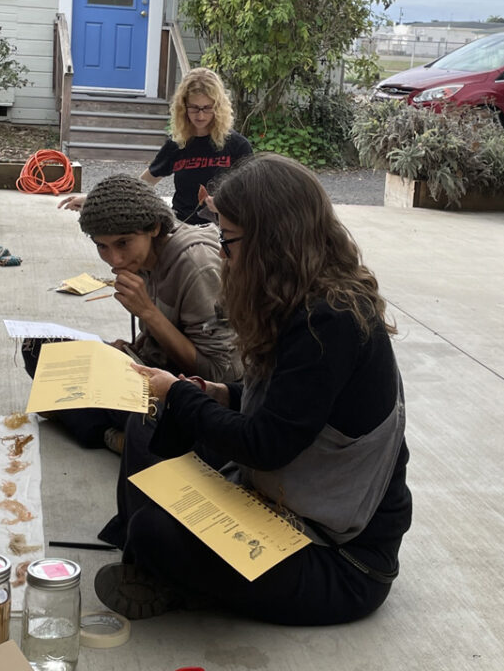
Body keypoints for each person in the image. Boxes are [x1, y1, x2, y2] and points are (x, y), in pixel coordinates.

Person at [94, 153, 412, 626]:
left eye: (228, 240)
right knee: (149, 423)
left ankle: (162, 565)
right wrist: (222, 393)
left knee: (156, 529)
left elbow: (268, 445)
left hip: (340, 559)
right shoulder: (303, 301)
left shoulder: (332, 321)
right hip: (283, 501)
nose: (222, 253)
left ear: (272, 240)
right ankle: (157, 564)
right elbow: (293, 407)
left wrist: (184, 395)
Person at [23, 174, 242, 451]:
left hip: (190, 390)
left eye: (123, 243)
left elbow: (220, 374)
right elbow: (161, 340)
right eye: (102, 246)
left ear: (154, 227)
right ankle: (119, 432)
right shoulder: (142, 258)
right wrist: (132, 348)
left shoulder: (196, 265)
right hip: (153, 370)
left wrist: (147, 312)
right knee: (38, 347)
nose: (115, 259)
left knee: (157, 416)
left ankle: (109, 433)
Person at [58, 68, 252, 224]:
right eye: (194, 108)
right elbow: (142, 184)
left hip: (224, 230)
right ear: (183, 108)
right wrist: (94, 199)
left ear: (218, 107)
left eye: (207, 108)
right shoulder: (177, 146)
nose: (200, 116)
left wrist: (225, 206)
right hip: (182, 227)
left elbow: (252, 196)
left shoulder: (237, 146)